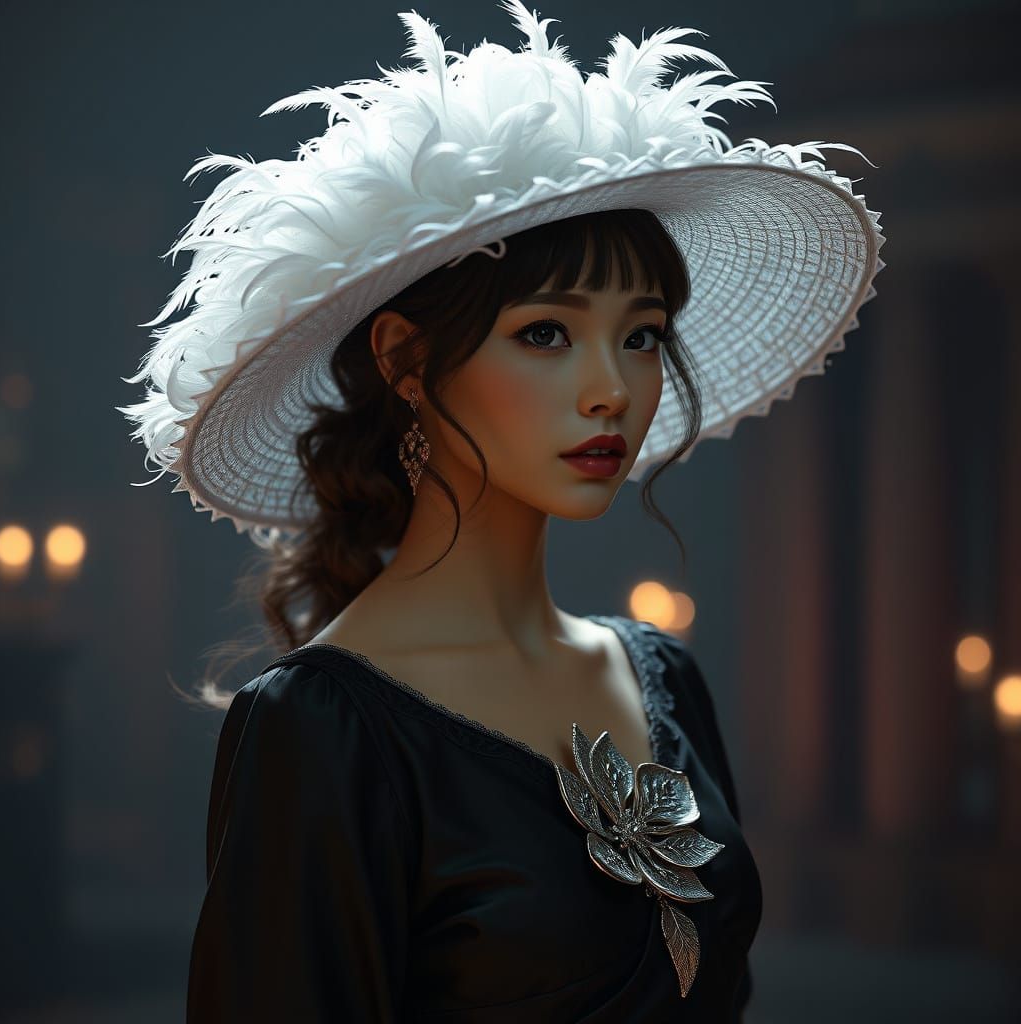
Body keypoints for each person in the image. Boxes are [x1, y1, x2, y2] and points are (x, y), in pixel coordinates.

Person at [117, 2, 885, 1020]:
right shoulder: (323, 728)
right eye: (545, 334)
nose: (612, 386)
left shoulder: (662, 673)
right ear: (403, 358)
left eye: (643, 335)